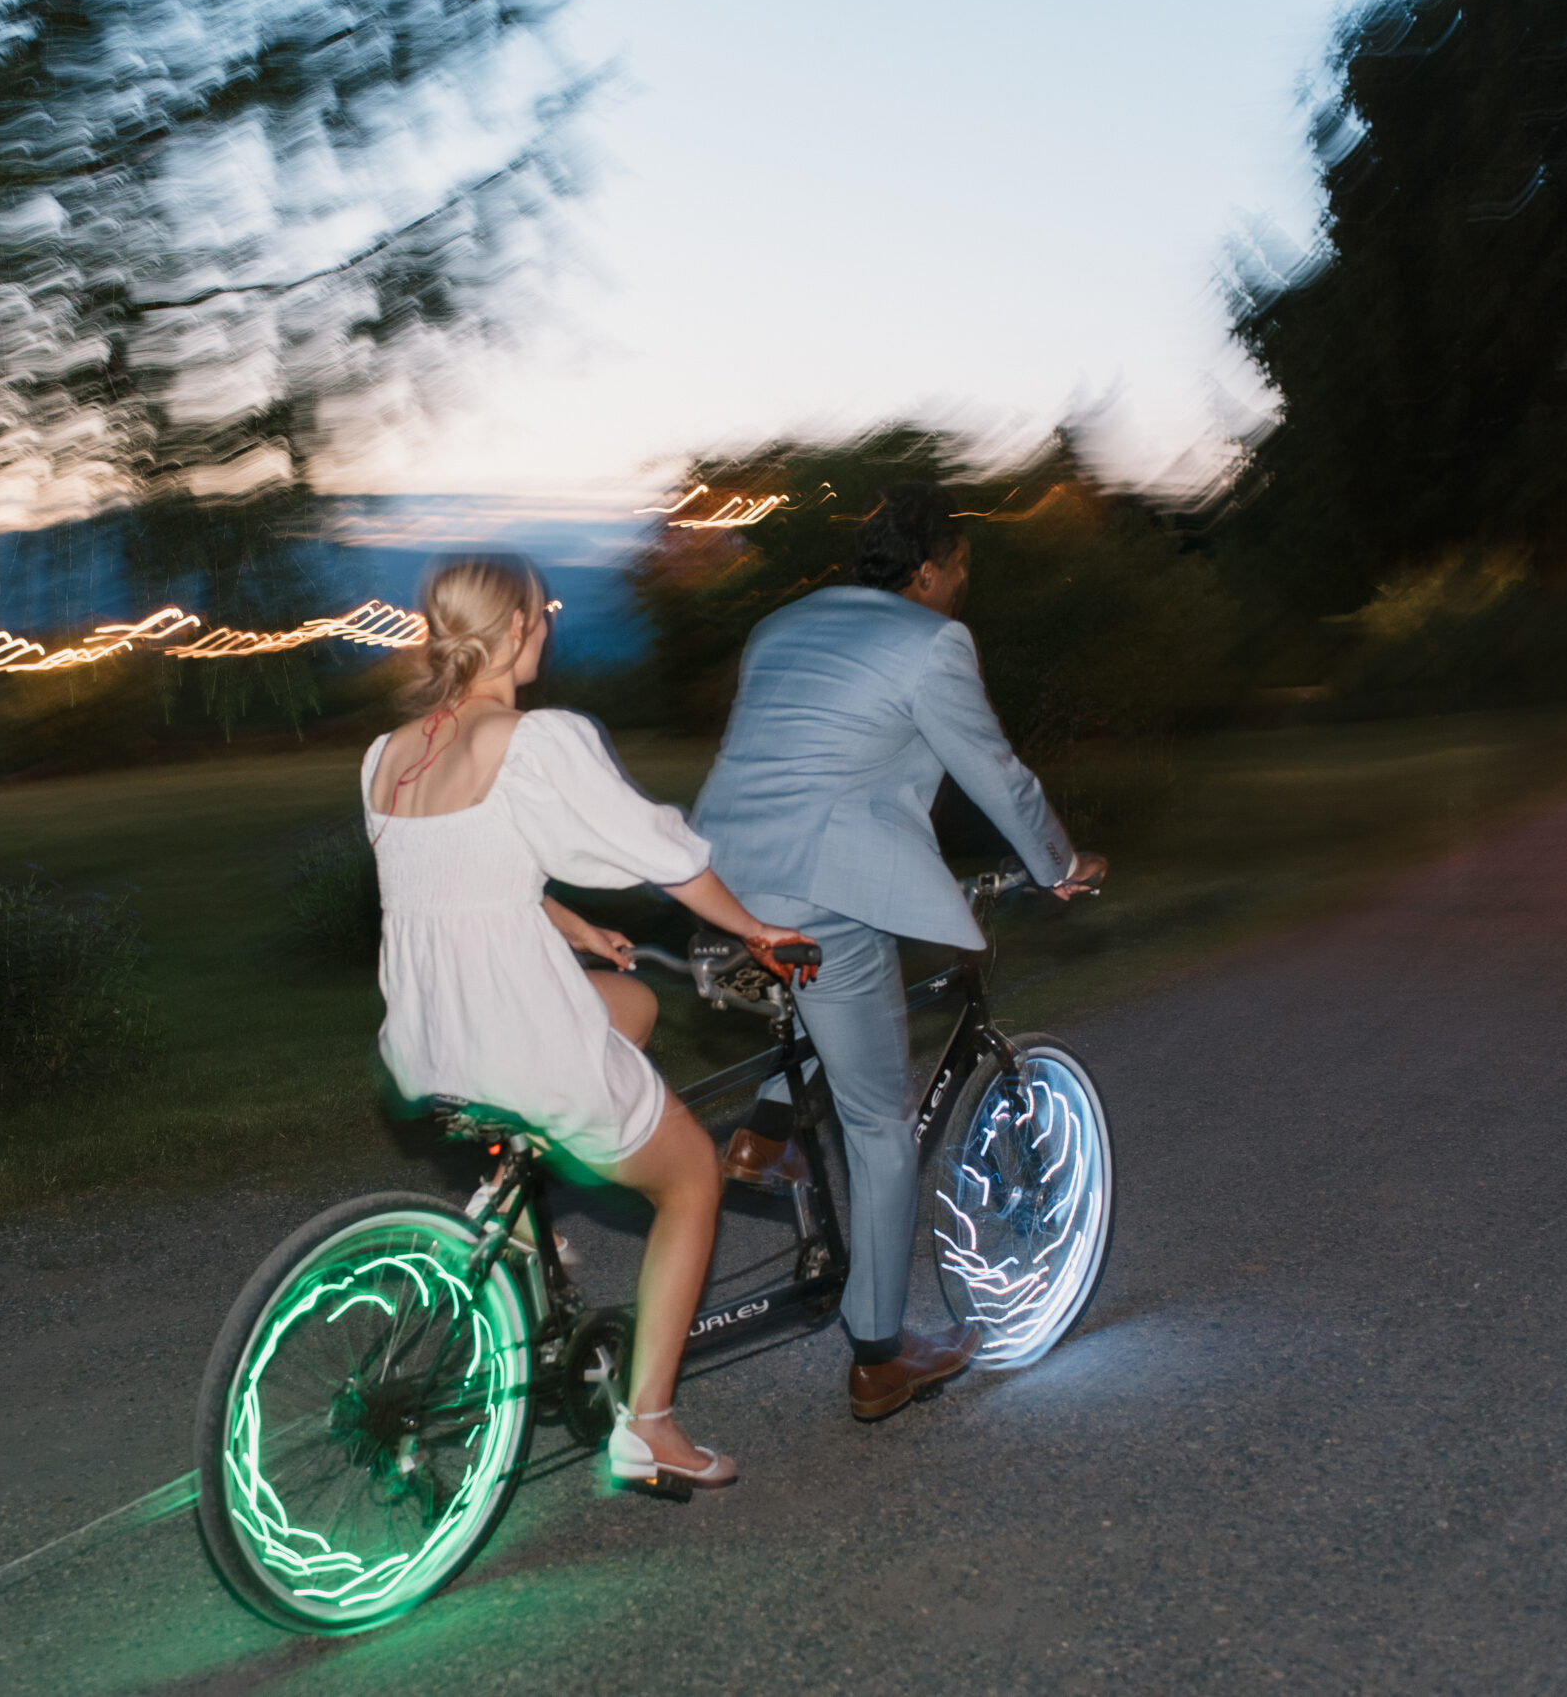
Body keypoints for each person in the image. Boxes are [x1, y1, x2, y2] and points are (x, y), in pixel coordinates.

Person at [365, 555, 818, 1491]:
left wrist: (575, 926)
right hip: (514, 1034)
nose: (548, 627)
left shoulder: (388, 756)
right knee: (693, 1173)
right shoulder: (533, 739)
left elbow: (455, 875)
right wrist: (752, 927)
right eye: (543, 613)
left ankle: (516, 1199)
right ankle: (650, 1424)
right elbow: (656, 850)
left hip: (428, 1037)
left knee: (637, 1005)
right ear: (522, 625)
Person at [692, 483, 1108, 1420]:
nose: (964, 584)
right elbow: (993, 771)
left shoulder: (782, 622)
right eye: (961, 566)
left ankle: (765, 1133)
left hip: (721, 872)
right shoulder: (932, 642)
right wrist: (1059, 863)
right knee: (880, 1124)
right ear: (926, 572)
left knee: (820, 987)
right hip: (817, 888)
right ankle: (880, 1354)